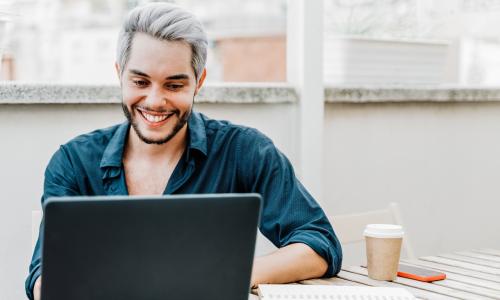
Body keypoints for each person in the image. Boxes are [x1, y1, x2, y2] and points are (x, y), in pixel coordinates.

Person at [25, 3, 342, 299]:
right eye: (140, 81)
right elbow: (43, 278)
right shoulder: (73, 162)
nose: (154, 101)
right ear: (120, 74)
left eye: (174, 86)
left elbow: (319, 244)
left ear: (198, 81)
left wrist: (225, 277)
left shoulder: (245, 151)